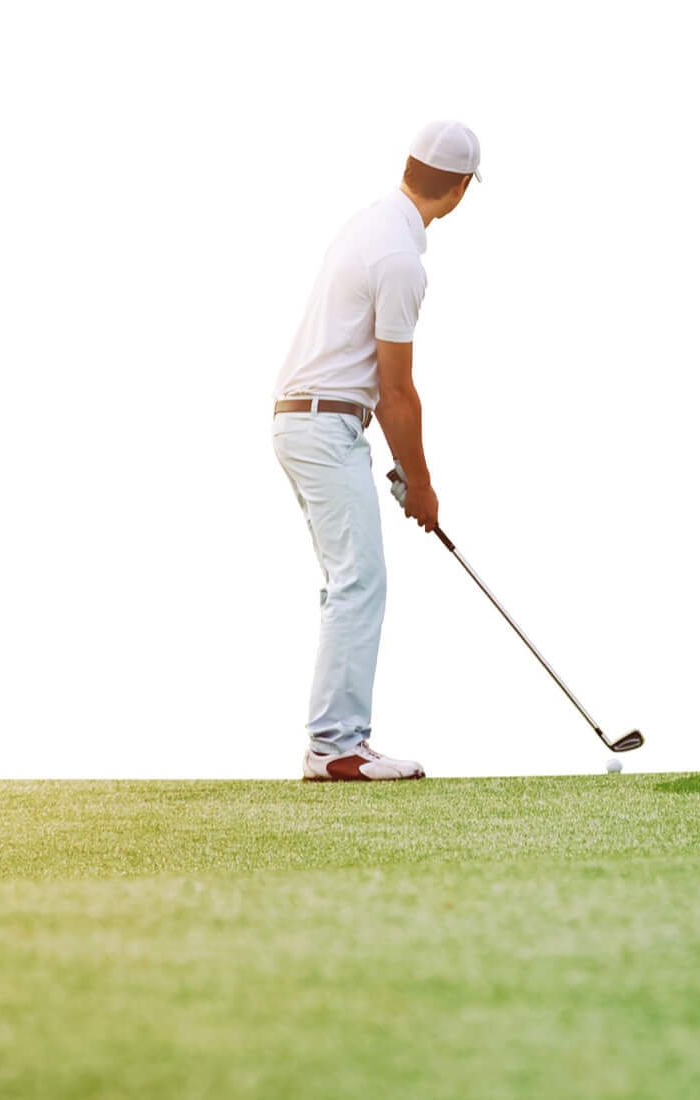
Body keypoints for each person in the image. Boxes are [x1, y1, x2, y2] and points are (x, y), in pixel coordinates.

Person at [271, 120, 479, 782]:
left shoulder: (370, 224)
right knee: (360, 580)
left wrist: (397, 464)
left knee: (349, 580)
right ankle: (335, 745)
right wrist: (420, 484)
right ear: (461, 190)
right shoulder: (400, 261)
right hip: (323, 423)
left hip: (314, 418)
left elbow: (370, 383)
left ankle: (336, 740)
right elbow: (396, 393)